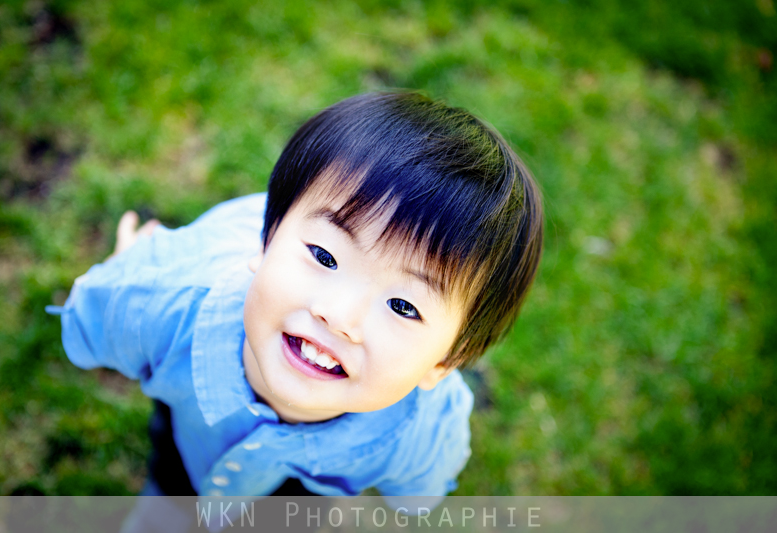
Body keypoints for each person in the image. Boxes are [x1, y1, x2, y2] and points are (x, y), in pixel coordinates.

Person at [48, 92, 543, 507]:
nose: (338, 316)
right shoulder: (161, 304)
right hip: (192, 440)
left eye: (403, 306)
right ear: (263, 243)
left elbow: (422, 490)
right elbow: (92, 317)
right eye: (325, 256)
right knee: (174, 487)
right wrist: (128, 267)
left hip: (301, 492)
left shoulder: (419, 430)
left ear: (446, 361)